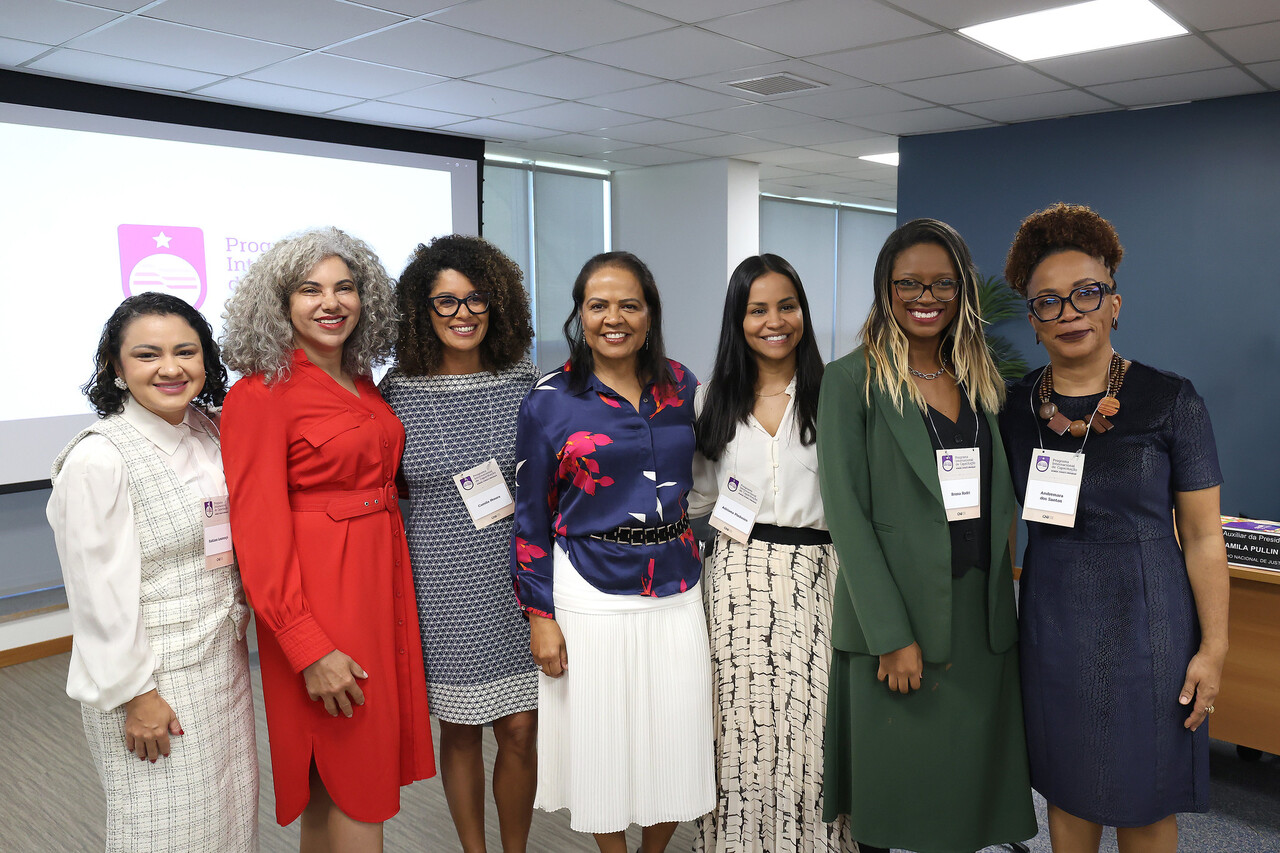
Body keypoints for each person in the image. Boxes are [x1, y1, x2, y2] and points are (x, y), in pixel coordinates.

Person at [999, 203, 1229, 853]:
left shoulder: (1170, 399)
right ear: (1034, 319)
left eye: (1086, 293)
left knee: (1146, 797)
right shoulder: (1013, 408)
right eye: (1050, 301)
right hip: (1053, 626)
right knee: (1071, 793)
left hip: (1149, 629)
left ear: (1114, 305)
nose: (1070, 311)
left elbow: (1206, 536)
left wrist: (1213, 648)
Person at [817, 219, 1037, 853]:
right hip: (897, 621)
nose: (926, 296)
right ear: (886, 289)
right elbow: (849, 520)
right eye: (908, 283)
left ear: (961, 289)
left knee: (964, 796)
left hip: (978, 620)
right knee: (891, 801)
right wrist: (891, 636)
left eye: (943, 283)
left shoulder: (980, 379)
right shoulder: (849, 381)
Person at [219, 227, 435, 851]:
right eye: (309, 289)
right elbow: (256, 532)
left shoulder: (362, 383)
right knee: (352, 771)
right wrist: (307, 646)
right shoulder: (260, 395)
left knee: (334, 781)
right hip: (321, 599)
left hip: (377, 582)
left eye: (345, 287)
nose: (330, 301)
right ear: (280, 304)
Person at [510, 251, 714, 853]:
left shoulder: (683, 387)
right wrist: (540, 616)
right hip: (588, 589)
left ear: (650, 314)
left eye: (630, 304)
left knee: (673, 740)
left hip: (677, 588)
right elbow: (530, 517)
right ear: (580, 316)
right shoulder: (550, 400)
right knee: (602, 743)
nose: (614, 318)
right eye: (598, 305)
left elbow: (709, 474)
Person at [47, 292, 257, 852]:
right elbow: (96, 595)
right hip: (151, 678)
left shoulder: (211, 431)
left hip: (221, 663)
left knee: (228, 819)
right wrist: (136, 695)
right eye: (147, 355)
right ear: (116, 367)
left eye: (185, 351)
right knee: (160, 831)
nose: (170, 368)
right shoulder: (100, 457)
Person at [380, 234, 539, 852]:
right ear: (422, 310)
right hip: (439, 585)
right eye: (445, 302)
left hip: (514, 580)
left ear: (498, 306)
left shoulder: (526, 385)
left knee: (521, 729)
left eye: (476, 300)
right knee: (462, 729)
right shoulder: (395, 395)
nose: (463, 314)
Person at [688, 254, 853, 852]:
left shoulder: (837, 392)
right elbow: (700, 498)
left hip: (819, 579)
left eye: (787, 306)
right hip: (736, 581)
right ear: (738, 319)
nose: (774, 321)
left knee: (813, 734)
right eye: (757, 310)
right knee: (738, 734)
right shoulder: (711, 400)